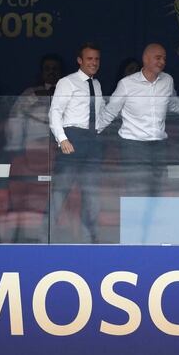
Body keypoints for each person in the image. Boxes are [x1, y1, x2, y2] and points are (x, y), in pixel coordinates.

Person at [99, 43, 179, 197]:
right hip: (133, 146)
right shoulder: (126, 84)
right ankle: (136, 222)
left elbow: (173, 104)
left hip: (159, 145)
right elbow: (110, 112)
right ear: (145, 59)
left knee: (156, 189)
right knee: (136, 190)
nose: (162, 62)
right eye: (158, 58)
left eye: (164, 58)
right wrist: (92, 132)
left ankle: (149, 221)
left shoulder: (168, 80)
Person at [48, 42, 105, 243]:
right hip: (73, 139)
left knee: (92, 195)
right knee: (60, 193)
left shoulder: (96, 84)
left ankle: (91, 240)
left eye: (97, 59)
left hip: (93, 142)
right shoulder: (67, 82)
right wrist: (62, 139)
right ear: (79, 60)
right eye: (89, 59)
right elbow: (55, 111)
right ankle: (44, 239)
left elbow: (100, 114)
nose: (94, 62)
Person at [7, 54, 64, 153]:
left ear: (60, 72)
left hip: (62, 141)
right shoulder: (31, 92)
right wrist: (35, 97)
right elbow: (15, 114)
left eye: (55, 69)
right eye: (47, 69)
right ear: (42, 73)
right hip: (35, 141)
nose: (51, 72)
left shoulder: (69, 92)